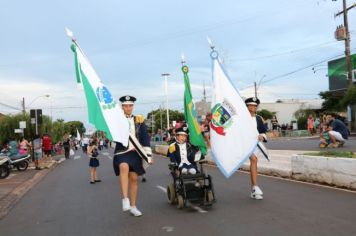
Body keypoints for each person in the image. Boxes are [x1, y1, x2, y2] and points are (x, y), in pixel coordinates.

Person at [113, 95, 153, 217]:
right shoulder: (116, 120)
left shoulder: (139, 121)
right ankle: (125, 199)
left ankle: (133, 206)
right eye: (125, 106)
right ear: (122, 107)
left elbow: (145, 138)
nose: (128, 108)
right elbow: (112, 137)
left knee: (134, 179)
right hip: (121, 152)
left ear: (133, 106)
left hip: (135, 153)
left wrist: (149, 156)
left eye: (130, 105)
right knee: (123, 167)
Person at [245, 97, 267, 200]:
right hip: (244, 144)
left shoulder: (258, 118)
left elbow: (263, 132)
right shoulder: (241, 119)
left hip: (255, 144)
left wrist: (262, 136)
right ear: (247, 106)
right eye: (251, 105)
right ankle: (255, 187)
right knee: (254, 159)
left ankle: (254, 188)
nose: (253, 107)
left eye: (254, 105)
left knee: (255, 161)